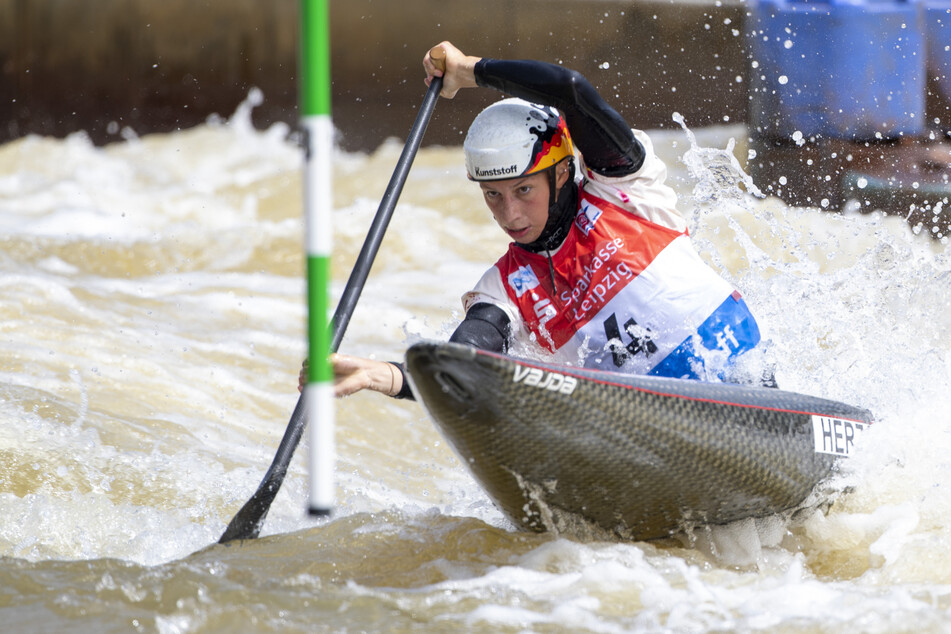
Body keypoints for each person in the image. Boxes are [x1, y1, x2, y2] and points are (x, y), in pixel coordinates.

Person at [302, 41, 765, 399]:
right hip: (642, 423)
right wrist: (386, 375)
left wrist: (470, 71)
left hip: (743, 378)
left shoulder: (625, 188)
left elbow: (571, 91)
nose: (511, 214)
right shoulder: (505, 289)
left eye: (524, 190)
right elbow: (465, 367)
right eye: (493, 196)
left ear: (562, 173)